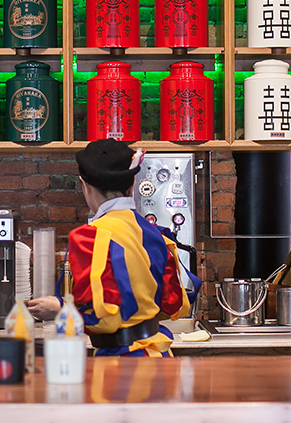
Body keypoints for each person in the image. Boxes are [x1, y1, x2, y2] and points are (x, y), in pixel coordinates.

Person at [26, 139, 190, 357]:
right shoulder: (154, 232)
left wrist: (59, 309)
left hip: (121, 364)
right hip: (157, 355)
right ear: (132, 184)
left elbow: (103, 319)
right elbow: (173, 304)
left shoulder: (90, 237)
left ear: (85, 185)